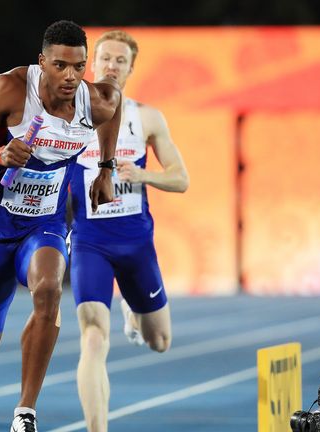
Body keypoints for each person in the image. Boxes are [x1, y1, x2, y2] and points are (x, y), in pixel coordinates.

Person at [0, 20, 123, 432]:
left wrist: (106, 168)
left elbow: (114, 105)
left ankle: (25, 411)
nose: (70, 76)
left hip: (44, 224)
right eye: (60, 66)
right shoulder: (8, 90)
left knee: (48, 289)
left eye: (79, 67)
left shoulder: (92, 100)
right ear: (41, 62)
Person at [68, 30, 189, 432]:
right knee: (92, 338)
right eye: (105, 59)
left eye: (121, 61)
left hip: (136, 244)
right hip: (90, 244)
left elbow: (181, 179)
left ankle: (133, 312)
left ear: (131, 69)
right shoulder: (68, 115)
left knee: (160, 342)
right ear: (93, 64)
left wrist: (143, 174)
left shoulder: (147, 118)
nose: (112, 66)